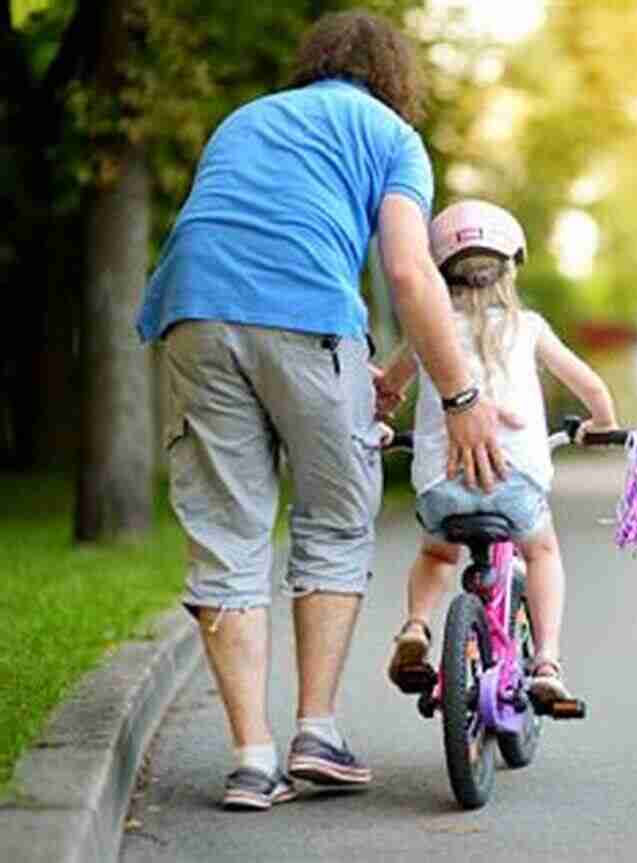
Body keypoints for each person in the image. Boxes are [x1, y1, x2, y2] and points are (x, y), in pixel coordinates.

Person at [134, 12, 518, 811]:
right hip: (309, 315)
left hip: (192, 313)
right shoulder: (391, 136)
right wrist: (463, 396)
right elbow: (413, 275)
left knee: (228, 532)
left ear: (313, 65)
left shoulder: (246, 119)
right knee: (337, 519)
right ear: (395, 79)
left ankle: (250, 758)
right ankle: (317, 731)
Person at [377, 199, 618, 705]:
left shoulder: (426, 334)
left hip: (442, 487)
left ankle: (417, 624)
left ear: (438, 271)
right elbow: (592, 388)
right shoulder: (528, 328)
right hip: (516, 485)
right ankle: (547, 660)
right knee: (543, 551)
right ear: (511, 267)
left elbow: (388, 393)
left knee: (436, 552)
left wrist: (379, 425)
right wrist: (601, 426)